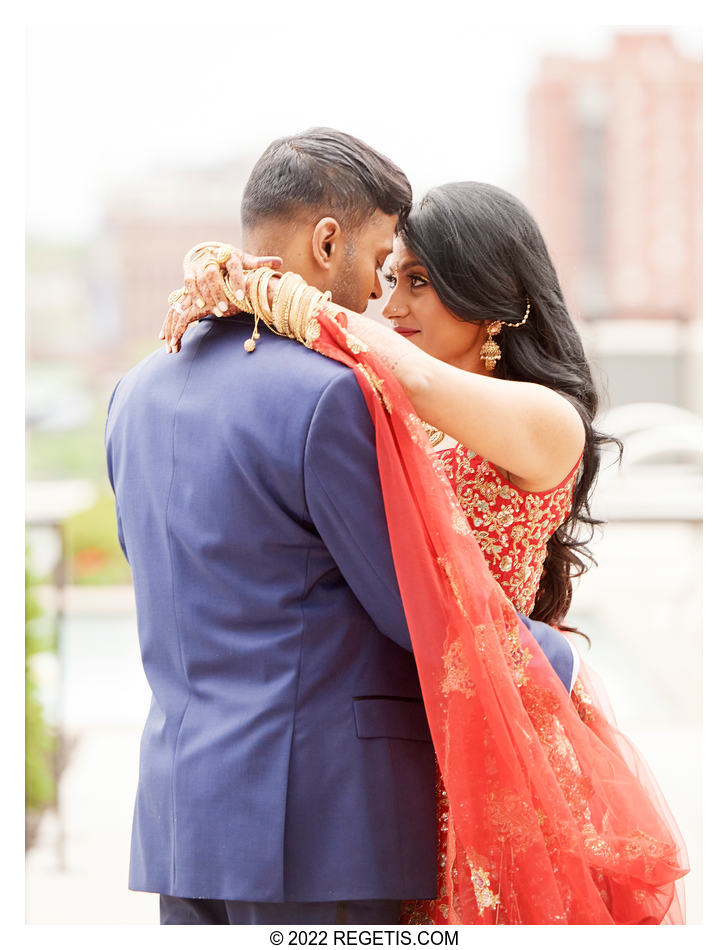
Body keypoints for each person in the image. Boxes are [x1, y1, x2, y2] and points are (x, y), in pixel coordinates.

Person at [165, 176, 689, 924]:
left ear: (498, 303)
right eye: (393, 278)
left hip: (501, 743)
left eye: (421, 282)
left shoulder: (545, 419)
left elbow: (401, 368)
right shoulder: (403, 415)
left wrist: (271, 287)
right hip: (409, 746)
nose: (392, 305)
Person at [105, 128, 575, 927]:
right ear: (328, 242)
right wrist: (556, 660)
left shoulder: (136, 390)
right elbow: (413, 602)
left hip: (182, 820)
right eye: (384, 264)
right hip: (316, 824)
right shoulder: (329, 396)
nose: (379, 303)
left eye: (414, 280)